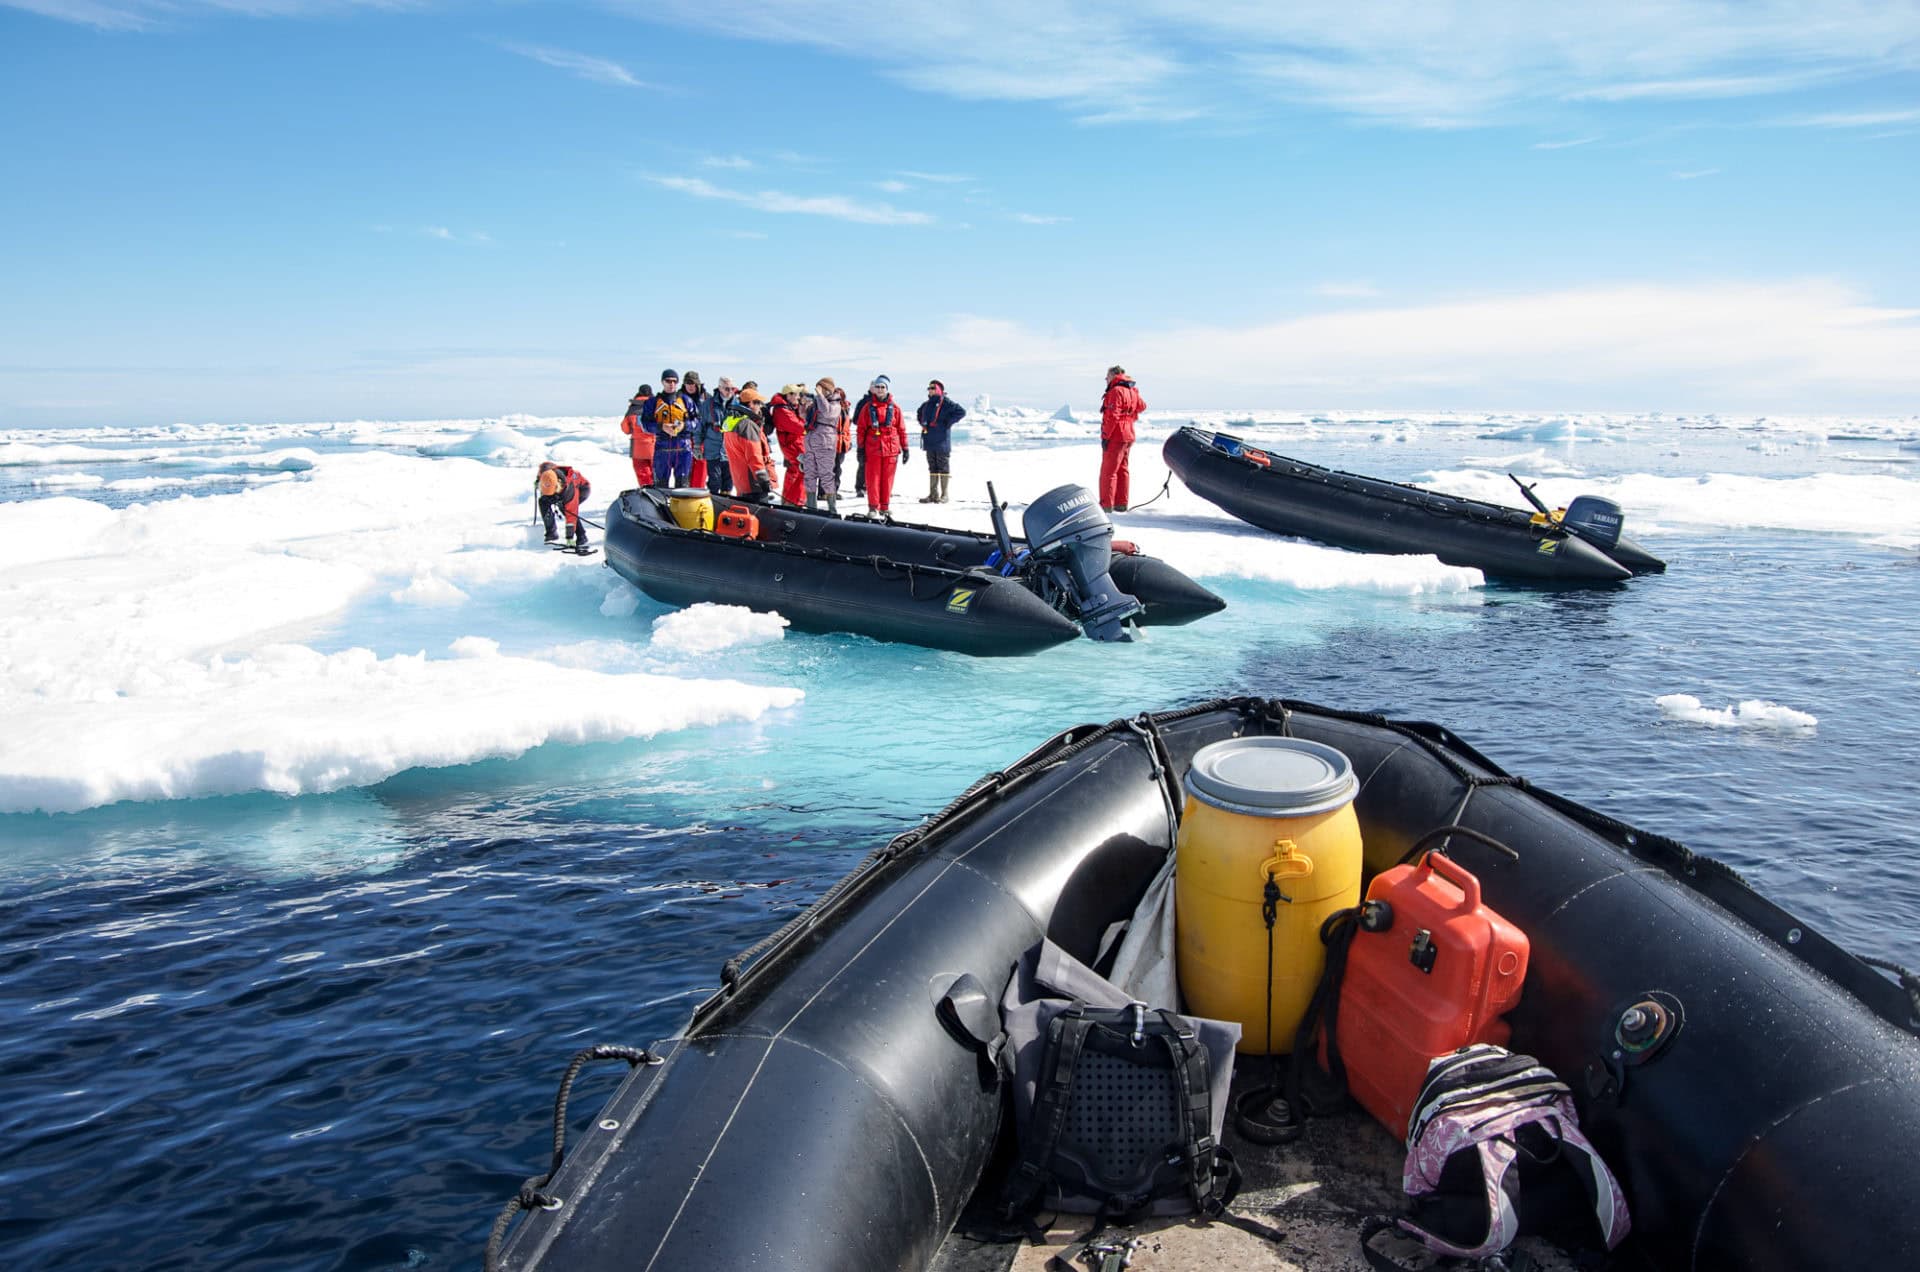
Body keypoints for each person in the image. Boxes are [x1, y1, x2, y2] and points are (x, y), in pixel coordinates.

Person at [853, 374, 909, 517]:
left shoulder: (895, 408)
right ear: (874, 389)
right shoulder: (867, 408)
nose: (880, 389)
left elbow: (901, 429)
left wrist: (905, 448)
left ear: (887, 389)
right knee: (873, 480)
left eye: (882, 387)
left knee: (887, 480)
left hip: (891, 450)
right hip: (873, 449)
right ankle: (873, 507)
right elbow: (861, 429)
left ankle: (884, 507)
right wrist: (860, 449)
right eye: (877, 387)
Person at [1098, 365, 1146, 513]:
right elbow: (1142, 406)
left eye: (1107, 375)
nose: (1106, 379)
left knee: (1109, 471)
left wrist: (1106, 436)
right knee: (1122, 469)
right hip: (1128, 434)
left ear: (1114, 375)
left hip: (1116, 435)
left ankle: (1106, 505)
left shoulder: (1116, 391)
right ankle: (1121, 503)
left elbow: (1112, 416)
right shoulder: (1131, 390)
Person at [916, 379, 966, 503]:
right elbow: (919, 413)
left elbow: (961, 412)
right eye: (929, 388)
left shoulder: (946, 403)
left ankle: (944, 495)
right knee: (932, 467)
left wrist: (947, 422)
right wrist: (923, 423)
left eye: (933, 388)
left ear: (939, 390)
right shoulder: (926, 404)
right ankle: (933, 494)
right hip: (929, 440)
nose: (930, 390)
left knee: (943, 467)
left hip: (942, 441)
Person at [722, 385, 775, 501]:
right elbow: (754, 456)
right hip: (753, 484)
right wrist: (764, 481)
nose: (760, 407)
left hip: (741, 482)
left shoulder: (732, 422)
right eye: (758, 403)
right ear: (751, 404)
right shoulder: (748, 426)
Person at [645, 369, 696, 488]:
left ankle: (681, 507)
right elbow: (645, 424)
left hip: (683, 449)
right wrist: (661, 427)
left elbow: (697, 421)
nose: (671, 384)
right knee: (661, 487)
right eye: (668, 381)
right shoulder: (653, 402)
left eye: (674, 381)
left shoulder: (686, 400)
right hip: (662, 449)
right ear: (662, 382)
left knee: (683, 487)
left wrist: (684, 425)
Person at [803, 377, 844, 513]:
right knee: (809, 474)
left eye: (821, 388)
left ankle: (832, 508)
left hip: (825, 440)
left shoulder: (835, 404)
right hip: (811, 438)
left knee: (826, 475)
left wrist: (820, 396)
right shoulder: (817, 403)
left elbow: (827, 413)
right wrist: (804, 405)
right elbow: (805, 416)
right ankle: (811, 506)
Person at [535, 461, 593, 552]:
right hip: (559, 490)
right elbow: (543, 470)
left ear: (558, 484)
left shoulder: (569, 490)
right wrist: (538, 483)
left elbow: (572, 515)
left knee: (567, 509)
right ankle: (551, 533)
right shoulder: (546, 473)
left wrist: (569, 536)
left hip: (582, 489)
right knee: (543, 501)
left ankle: (582, 536)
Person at [769, 384, 809, 504]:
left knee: (795, 471)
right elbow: (798, 427)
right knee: (802, 470)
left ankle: (789, 499)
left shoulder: (789, 407)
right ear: (789, 395)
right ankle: (795, 501)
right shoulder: (782, 410)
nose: (798, 397)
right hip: (792, 445)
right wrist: (806, 422)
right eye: (796, 394)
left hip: (796, 443)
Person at [702, 376, 736, 496]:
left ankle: (726, 502)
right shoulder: (708, 405)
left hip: (730, 450)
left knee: (728, 481)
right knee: (715, 479)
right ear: (720, 388)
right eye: (727, 388)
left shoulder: (737, 405)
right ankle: (713, 500)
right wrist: (697, 445)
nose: (730, 392)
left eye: (732, 389)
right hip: (713, 448)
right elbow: (700, 426)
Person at [619, 384, 654, 488]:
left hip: (637, 448)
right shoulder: (656, 405)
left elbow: (625, 429)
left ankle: (647, 496)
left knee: (643, 477)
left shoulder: (633, 408)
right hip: (654, 446)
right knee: (656, 475)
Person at [681, 371, 710, 489]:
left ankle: (697, 493)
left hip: (703, 439)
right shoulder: (678, 398)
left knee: (701, 469)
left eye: (692, 383)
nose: (690, 386)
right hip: (684, 438)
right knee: (684, 470)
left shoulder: (707, 398)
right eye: (687, 383)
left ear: (697, 384)